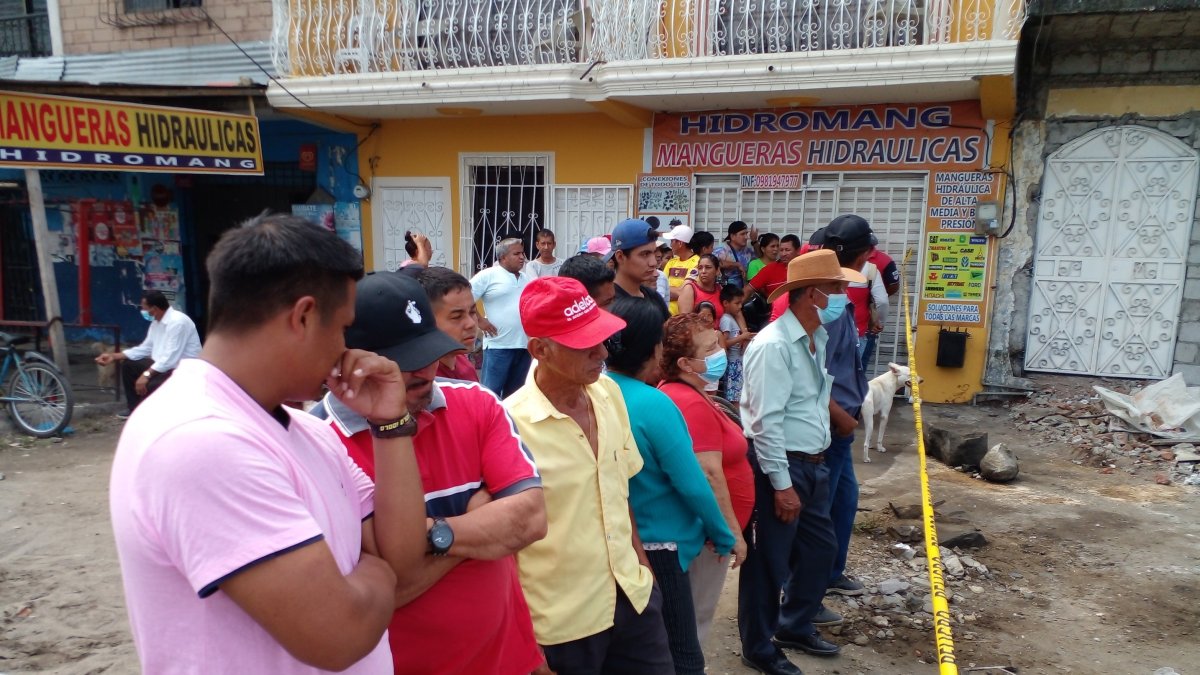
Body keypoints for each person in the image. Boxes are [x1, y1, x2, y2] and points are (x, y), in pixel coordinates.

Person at [109, 213, 428, 673]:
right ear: (302, 316)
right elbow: (340, 634)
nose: (346, 348)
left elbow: (403, 558)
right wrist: (375, 572)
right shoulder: (199, 441)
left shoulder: (306, 431)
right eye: (342, 327)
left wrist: (390, 423)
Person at [319, 271, 548, 675]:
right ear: (348, 360)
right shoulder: (319, 440)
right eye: (402, 362)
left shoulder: (475, 403)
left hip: (508, 658)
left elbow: (530, 520)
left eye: (428, 352)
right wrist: (479, 527)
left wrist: (429, 536)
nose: (425, 370)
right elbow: (384, 591)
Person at [504, 277, 674, 675]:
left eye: (602, 337)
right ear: (540, 350)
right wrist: (523, 640)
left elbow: (619, 491)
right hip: (560, 623)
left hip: (631, 597)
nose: (601, 351)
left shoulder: (608, 394)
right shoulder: (509, 425)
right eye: (584, 343)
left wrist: (643, 572)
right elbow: (506, 547)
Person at [737, 249, 865, 675]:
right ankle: (758, 645)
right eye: (837, 288)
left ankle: (792, 624)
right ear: (814, 295)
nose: (845, 295)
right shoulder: (773, 346)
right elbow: (764, 422)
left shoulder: (815, 338)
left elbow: (809, 400)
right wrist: (782, 484)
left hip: (814, 463)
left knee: (819, 550)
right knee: (769, 562)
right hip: (783, 466)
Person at [605, 296, 735, 675]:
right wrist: (723, 534)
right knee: (683, 653)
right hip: (662, 546)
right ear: (655, 349)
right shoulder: (655, 403)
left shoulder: (597, 392)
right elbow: (693, 483)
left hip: (619, 539)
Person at [658, 313, 752, 645]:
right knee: (694, 618)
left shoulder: (693, 393)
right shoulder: (689, 402)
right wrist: (732, 534)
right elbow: (709, 474)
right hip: (706, 537)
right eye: (710, 347)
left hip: (706, 535)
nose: (720, 350)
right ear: (686, 363)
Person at [815, 216, 876, 604]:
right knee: (819, 510)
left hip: (843, 423)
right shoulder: (830, 311)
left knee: (843, 501)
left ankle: (830, 572)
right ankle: (805, 589)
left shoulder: (841, 304)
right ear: (866, 254)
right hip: (833, 424)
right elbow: (814, 377)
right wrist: (842, 418)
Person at [96, 290, 201, 418]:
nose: (144, 312)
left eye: (145, 309)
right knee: (129, 366)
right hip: (162, 366)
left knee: (149, 384)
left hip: (181, 369)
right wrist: (114, 356)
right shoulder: (156, 323)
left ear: (155, 309)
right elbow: (145, 348)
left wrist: (146, 375)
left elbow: (170, 359)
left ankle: (150, 415)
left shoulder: (178, 322)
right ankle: (134, 409)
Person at [471, 238, 531, 398]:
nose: (522, 257)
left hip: (524, 346)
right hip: (499, 346)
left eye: (522, 253)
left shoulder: (526, 279)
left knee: (516, 397)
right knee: (490, 395)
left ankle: (510, 424)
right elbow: (465, 297)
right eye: (516, 253)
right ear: (503, 257)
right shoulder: (488, 275)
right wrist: (479, 320)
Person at [417, 266, 479, 382]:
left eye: (472, 312)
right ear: (427, 321)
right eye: (457, 316)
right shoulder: (424, 381)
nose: (471, 324)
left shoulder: (463, 363)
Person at [610, 218, 670, 320]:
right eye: (645, 254)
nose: (653, 263)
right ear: (620, 257)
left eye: (653, 253)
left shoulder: (653, 297)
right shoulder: (609, 303)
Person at [718, 284, 754, 404]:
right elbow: (725, 343)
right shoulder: (726, 320)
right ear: (726, 303)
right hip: (733, 364)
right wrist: (741, 337)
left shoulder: (732, 318)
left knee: (739, 395)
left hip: (738, 363)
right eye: (737, 303)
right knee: (735, 398)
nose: (740, 306)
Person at [662, 224, 699, 315]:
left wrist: (668, 291)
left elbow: (686, 292)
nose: (670, 245)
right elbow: (661, 288)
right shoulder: (671, 262)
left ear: (680, 243)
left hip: (682, 318)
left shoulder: (698, 263)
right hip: (665, 315)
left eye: (672, 241)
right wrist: (678, 291)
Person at [677, 254, 723, 324]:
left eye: (708, 267)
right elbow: (685, 323)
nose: (703, 271)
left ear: (717, 271)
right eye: (700, 268)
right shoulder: (690, 289)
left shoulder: (720, 289)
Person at [713, 221, 755, 288]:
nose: (746, 237)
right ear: (732, 236)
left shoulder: (748, 251)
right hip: (725, 292)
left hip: (742, 293)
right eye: (742, 234)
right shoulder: (722, 249)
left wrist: (755, 241)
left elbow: (762, 257)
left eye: (746, 234)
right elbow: (713, 262)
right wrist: (737, 264)